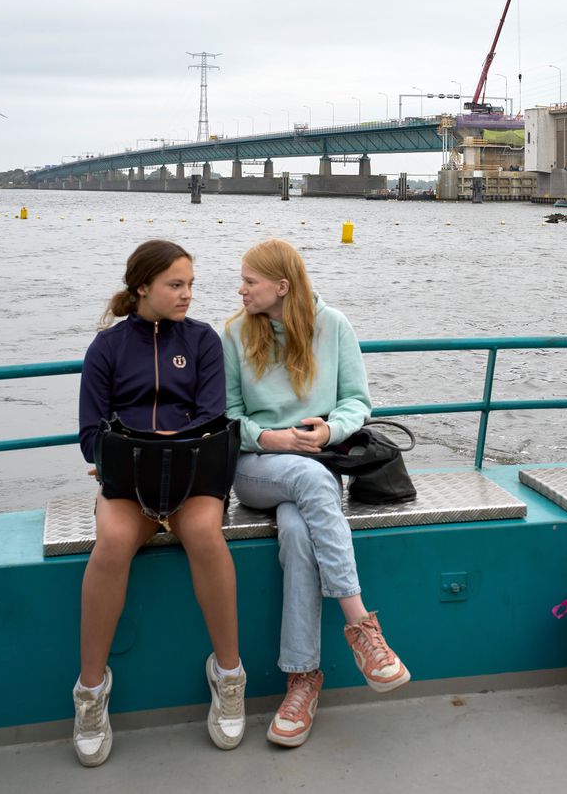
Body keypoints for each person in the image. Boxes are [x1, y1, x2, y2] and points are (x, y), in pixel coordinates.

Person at [222, 238, 409, 748]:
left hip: (318, 463)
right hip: (257, 469)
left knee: (299, 532)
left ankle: (302, 682)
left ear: (281, 287)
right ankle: (362, 627)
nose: (240, 290)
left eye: (249, 282)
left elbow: (356, 401)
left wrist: (328, 432)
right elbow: (226, 417)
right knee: (307, 482)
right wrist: (270, 437)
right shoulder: (236, 334)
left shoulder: (336, 326)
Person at [73, 239, 245, 767]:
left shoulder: (202, 342)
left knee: (205, 537)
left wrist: (167, 446)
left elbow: (211, 414)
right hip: (130, 486)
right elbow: (88, 434)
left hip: (192, 479)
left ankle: (229, 673)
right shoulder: (106, 348)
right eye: (175, 285)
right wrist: (120, 452)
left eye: (191, 284)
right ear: (142, 287)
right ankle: (90, 692)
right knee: (114, 544)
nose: (186, 295)